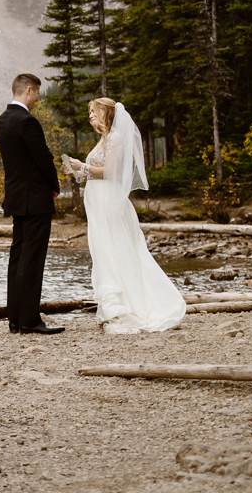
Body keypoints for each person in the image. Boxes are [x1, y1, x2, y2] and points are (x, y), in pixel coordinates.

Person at [63, 98, 187, 333]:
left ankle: (124, 309)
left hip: (109, 203)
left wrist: (82, 166)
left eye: (93, 111)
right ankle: (112, 307)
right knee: (103, 251)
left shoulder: (116, 139)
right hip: (98, 202)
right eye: (88, 111)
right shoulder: (104, 139)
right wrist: (77, 170)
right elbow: (97, 173)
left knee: (114, 249)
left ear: (106, 113)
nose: (89, 115)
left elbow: (111, 172)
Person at [0, 73, 62, 334]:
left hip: (15, 197)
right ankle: (30, 320)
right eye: (37, 93)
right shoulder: (27, 122)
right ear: (29, 90)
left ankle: (15, 318)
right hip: (35, 198)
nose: (38, 99)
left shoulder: (3, 121)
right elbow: (42, 158)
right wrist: (54, 186)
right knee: (32, 258)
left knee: (18, 256)